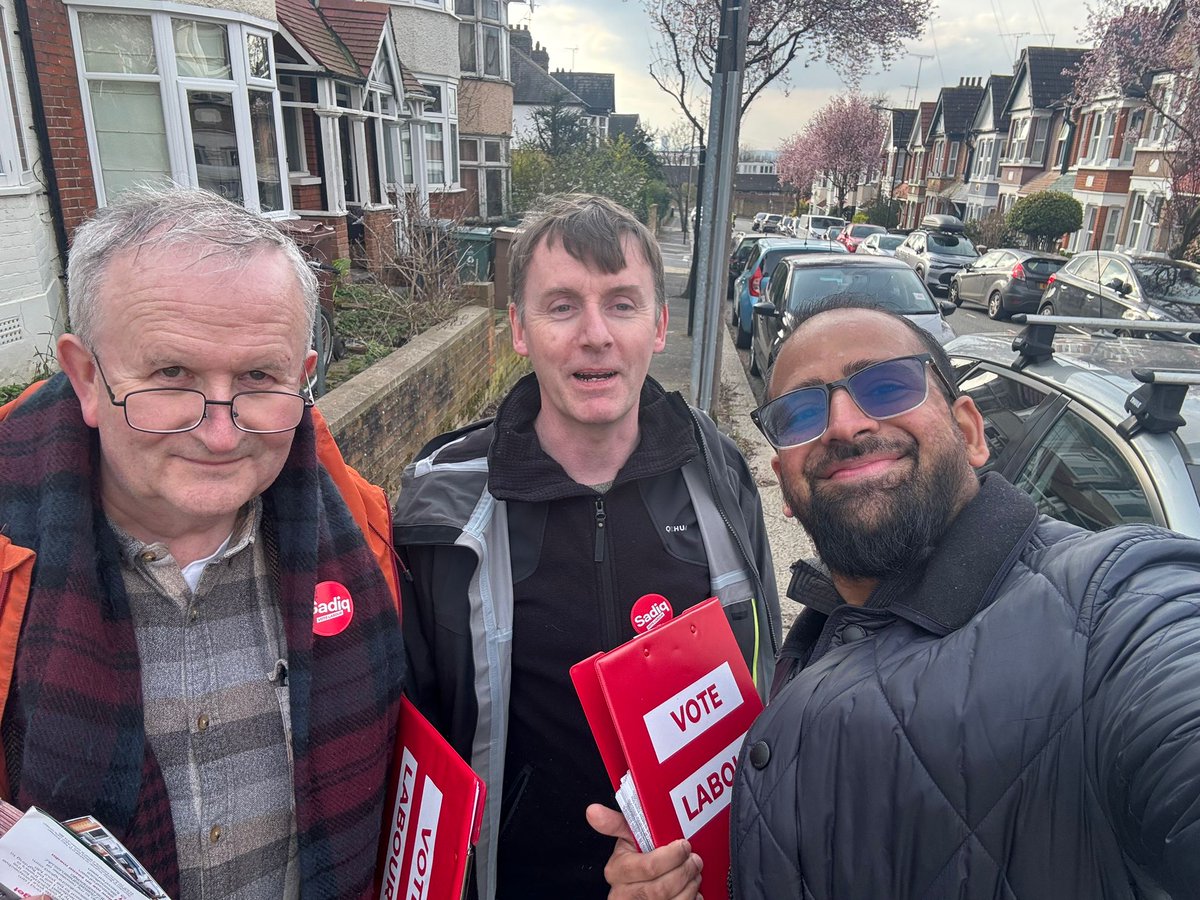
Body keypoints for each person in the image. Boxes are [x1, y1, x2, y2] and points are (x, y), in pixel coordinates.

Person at [600, 296, 1200, 898]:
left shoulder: (1115, 605)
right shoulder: (822, 633)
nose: (844, 424)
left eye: (887, 387)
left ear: (969, 433)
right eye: (799, 413)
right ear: (784, 484)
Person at [0, 186, 406, 899]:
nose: (220, 434)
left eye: (258, 378)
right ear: (87, 377)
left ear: (304, 379)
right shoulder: (13, 559)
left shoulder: (362, 533)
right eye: (171, 376)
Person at [394, 193, 780, 900]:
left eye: (623, 304)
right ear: (519, 329)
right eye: (563, 305)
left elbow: (761, 683)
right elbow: (414, 755)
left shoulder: (721, 477)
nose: (595, 334)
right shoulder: (440, 510)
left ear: (661, 325)